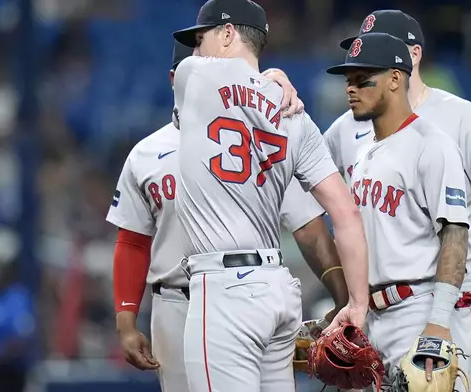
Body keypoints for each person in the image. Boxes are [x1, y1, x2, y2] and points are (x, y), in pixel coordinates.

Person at [268, 9, 471, 391]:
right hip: (373, 314)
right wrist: (343, 295)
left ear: (411, 57)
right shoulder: (349, 129)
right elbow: (300, 200)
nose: (354, 82)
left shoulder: (458, 119)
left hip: (443, 300)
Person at [106, 41, 350, 391]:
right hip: (174, 301)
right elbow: (132, 240)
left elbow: (309, 229)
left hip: (244, 293)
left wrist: (343, 299)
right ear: (177, 78)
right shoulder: (146, 154)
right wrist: (126, 321)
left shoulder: (258, 141)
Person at [171, 0, 370, 390]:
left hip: (225, 289)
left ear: (228, 33)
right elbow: (346, 212)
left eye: (202, 38)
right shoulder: (296, 114)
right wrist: (357, 303)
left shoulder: (192, 74)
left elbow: (218, 76)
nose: (196, 49)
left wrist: (271, 76)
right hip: (278, 291)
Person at [325, 31, 471, 386]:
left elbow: (454, 234)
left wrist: (437, 322)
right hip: (370, 315)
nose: (351, 90)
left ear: (395, 79)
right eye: (349, 82)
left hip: (416, 310)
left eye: (363, 81)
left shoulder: (433, 146)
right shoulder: (362, 152)